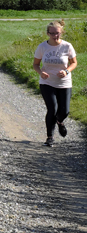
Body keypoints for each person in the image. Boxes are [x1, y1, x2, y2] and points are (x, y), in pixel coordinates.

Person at [33, 19, 77, 147]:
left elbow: (74, 62)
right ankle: (49, 137)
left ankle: (60, 122)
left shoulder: (67, 46)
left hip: (64, 82)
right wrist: (41, 72)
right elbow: (36, 64)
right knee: (52, 109)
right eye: (52, 33)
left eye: (57, 33)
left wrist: (67, 71)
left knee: (65, 111)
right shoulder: (42, 47)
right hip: (47, 82)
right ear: (48, 33)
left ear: (61, 32)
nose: (54, 36)